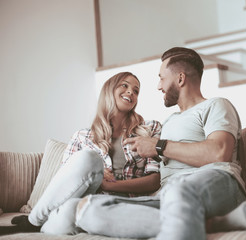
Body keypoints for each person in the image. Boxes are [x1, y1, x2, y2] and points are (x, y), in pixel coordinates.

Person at [71, 47, 246, 240]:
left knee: (180, 191)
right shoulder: (168, 122)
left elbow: (219, 152)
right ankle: (212, 223)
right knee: (89, 209)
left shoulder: (216, 105)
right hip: (167, 193)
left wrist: (159, 146)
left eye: (162, 78)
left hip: (214, 182)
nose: (158, 86)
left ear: (180, 79)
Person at [2, 72, 162, 235]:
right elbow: (65, 181)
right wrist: (96, 172)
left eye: (136, 91)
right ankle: (34, 221)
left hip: (113, 208)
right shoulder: (82, 136)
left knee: (73, 207)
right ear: (109, 89)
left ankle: (32, 222)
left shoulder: (150, 129)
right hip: (75, 206)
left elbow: (154, 180)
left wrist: (108, 184)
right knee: (88, 159)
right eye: (124, 85)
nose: (131, 92)